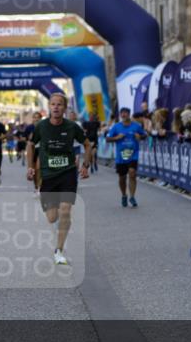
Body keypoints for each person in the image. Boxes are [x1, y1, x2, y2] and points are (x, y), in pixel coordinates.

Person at [27, 93, 91, 265]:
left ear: (64, 108)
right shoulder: (41, 126)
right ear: (49, 107)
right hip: (48, 175)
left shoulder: (72, 126)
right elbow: (31, 145)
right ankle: (59, 223)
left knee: (65, 211)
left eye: (59, 104)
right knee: (51, 218)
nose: (56, 107)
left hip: (68, 172)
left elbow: (87, 143)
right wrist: (30, 167)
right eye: (53, 104)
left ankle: (59, 250)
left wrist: (85, 165)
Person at [105, 107, 147, 207]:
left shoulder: (136, 126)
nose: (123, 115)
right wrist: (116, 138)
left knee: (132, 173)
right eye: (122, 113)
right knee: (122, 178)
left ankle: (132, 197)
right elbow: (107, 139)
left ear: (129, 114)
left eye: (125, 113)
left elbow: (145, 135)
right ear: (120, 115)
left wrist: (140, 137)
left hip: (133, 155)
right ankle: (124, 195)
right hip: (121, 157)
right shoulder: (116, 127)